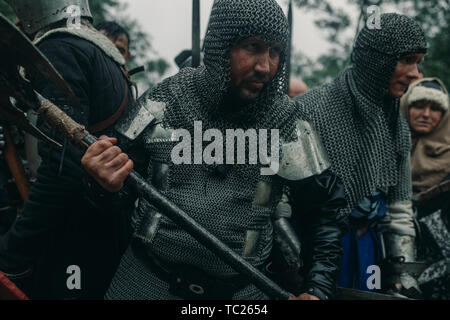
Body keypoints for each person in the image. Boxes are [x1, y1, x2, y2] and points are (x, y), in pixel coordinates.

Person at [81, 0, 347, 300]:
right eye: (253, 47)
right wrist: (101, 184)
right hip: (147, 281)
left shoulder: (285, 121)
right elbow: (116, 192)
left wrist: (317, 289)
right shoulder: (167, 101)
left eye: (274, 52)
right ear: (221, 46)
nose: (265, 66)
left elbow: (325, 210)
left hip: (241, 294)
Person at [0, 0, 134, 299]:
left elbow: (63, 168)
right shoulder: (96, 46)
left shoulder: (61, 49)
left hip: (74, 228)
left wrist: (12, 252)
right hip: (98, 221)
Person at [295, 13, 427, 297]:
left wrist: (402, 273)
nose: (416, 73)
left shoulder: (395, 124)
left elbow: (398, 205)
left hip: (370, 249)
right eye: (407, 60)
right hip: (316, 251)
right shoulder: (310, 111)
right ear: (377, 60)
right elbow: (280, 207)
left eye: (418, 62)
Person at [400, 78, 450, 299]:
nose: (426, 114)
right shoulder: (386, 146)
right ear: (406, 107)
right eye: (419, 105)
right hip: (394, 248)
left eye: (435, 108)